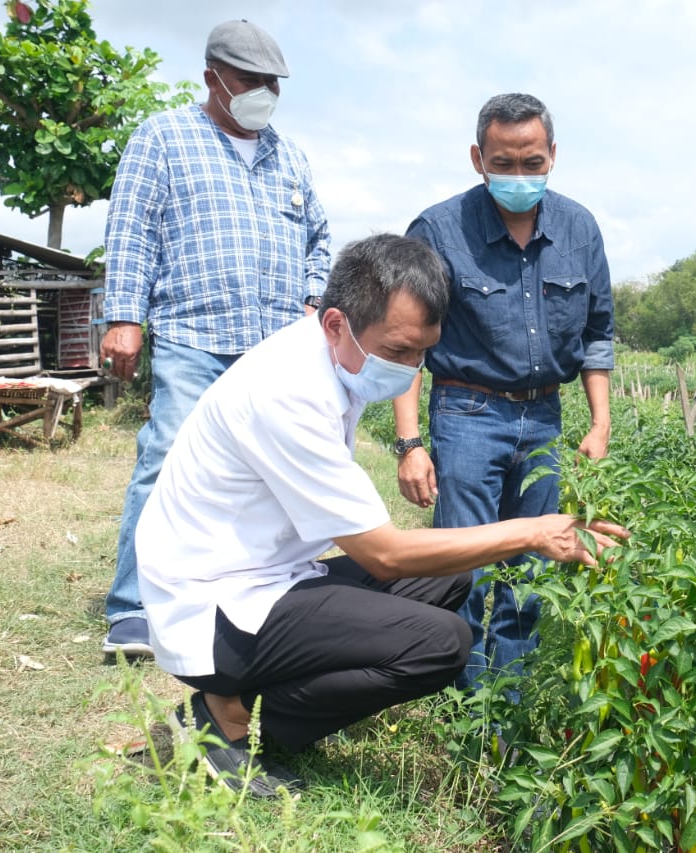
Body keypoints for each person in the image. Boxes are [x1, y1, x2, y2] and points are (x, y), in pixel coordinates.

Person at [137, 234, 627, 797]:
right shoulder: (287, 392)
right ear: (336, 324)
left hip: (264, 576)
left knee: (451, 576)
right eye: (398, 351)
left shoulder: (327, 357)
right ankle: (229, 718)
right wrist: (532, 531)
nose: (411, 367)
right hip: (212, 607)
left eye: (423, 353)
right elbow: (384, 554)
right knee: (442, 643)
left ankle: (244, 706)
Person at [99, 19, 331, 659]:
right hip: (194, 333)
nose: (264, 93)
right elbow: (131, 229)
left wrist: (313, 299)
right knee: (168, 459)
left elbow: (319, 240)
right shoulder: (164, 138)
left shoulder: (290, 156)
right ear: (213, 78)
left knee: (270, 471)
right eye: (250, 80)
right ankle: (134, 607)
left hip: (274, 343)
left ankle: (252, 591)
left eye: (273, 83)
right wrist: (124, 317)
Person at [392, 93, 615, 690]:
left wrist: (600, 423)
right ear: (478, 159)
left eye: (532, 163)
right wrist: (409, 443)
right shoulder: (439, 230)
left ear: (552, 156)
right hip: (468, 411)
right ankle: (463, 703)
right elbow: (407, 342)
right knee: (464, 565)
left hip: (544, 415)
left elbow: (597, 333)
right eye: (504, 163)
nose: (519, 175)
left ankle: (509, 700)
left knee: (534, 565)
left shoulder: (579, 229)